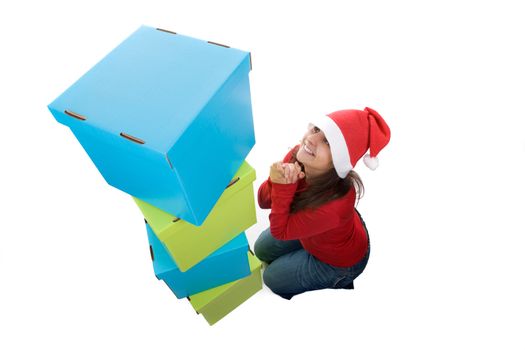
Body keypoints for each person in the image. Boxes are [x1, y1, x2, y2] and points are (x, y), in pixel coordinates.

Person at [254, 107, 391, 300]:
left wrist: (284, 188)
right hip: (319, 229)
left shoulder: (334, 207)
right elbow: (262, 201)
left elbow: (281, 231)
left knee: (271, 278)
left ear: (338, 162)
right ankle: (311, 241)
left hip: (339, 261)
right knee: (260, 249)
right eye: (316, 130)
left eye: (327, 141)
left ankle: (340, 279)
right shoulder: (297, 155)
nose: (311, 139)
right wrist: (276, 181)